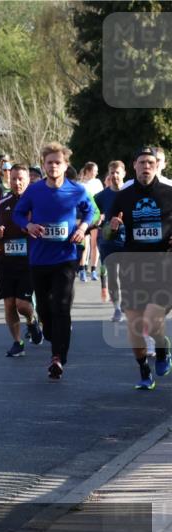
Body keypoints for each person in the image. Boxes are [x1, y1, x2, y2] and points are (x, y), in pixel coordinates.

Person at [13, 141, 99, 380]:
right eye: (49, 163)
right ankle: (52, 334)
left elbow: (91, 211)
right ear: (44, 165)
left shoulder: (77, 190)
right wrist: (28, 225)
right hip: (39, 259)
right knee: (45, 310)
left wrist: (83, 226)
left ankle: (57, 358)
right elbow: (18, 213)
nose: (53, 167)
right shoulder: (34, 190)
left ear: (65, 165)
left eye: (57, 163)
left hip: (66, 258)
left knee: (61, 306)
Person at [104, 146, 172, 389]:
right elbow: (107, 234)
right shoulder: (123, 196)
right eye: (142, 162)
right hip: (133, 267)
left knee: (152, 323)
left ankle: (163, 349)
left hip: (163, 267)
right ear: (134, 165)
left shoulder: (169, 193)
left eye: (150, 163)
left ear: (157, 166)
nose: (146, 167)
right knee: (134, 324)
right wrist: (112, 226)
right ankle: (144, 370)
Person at [0, 163, 43, 357]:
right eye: (13, 178)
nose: (17, 182)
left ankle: (32, 321)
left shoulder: (35, 202)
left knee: (22, 304)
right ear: (9, 179)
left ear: (28, 180)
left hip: (29, 261)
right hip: (6, 261)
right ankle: (18, 342)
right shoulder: (2, 203)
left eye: (21, 178)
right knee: (9, 304)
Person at [95, 160, 127, 322]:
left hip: (128, 241)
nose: (114, 175)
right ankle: (117, 309)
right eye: (111, 172)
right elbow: (93, 215)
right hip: (108, 242)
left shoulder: (131, 193)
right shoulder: (101, 196)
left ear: (124, 174)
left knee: (128, 276)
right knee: (113, 276)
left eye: (117, 172)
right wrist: (98, 220)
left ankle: (128, 304)